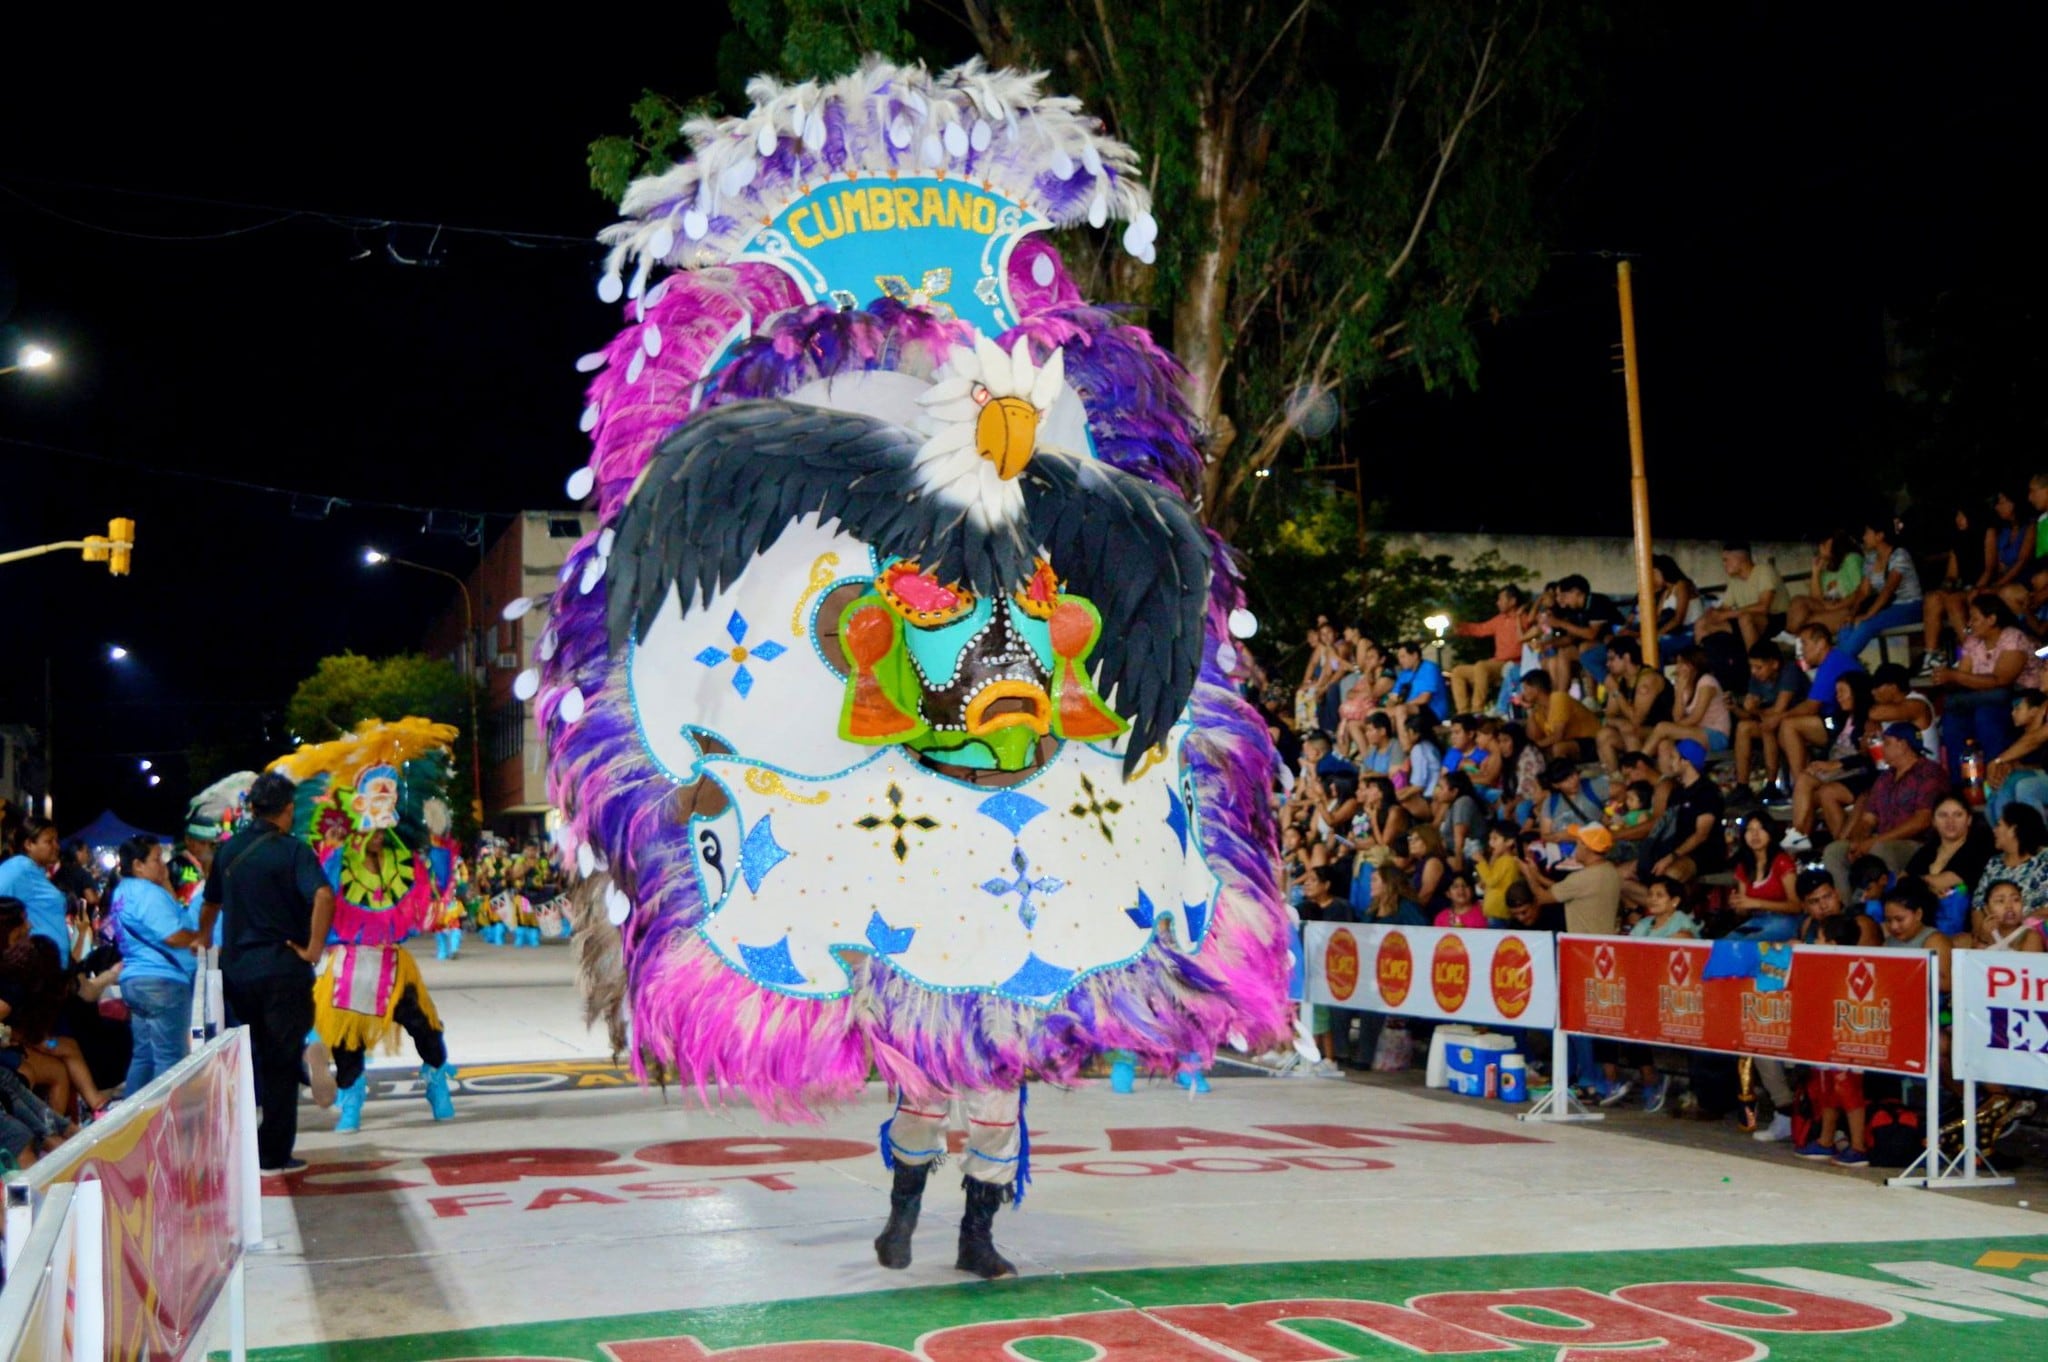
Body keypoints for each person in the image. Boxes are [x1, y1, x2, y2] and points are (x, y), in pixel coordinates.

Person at [198, 771, 334, 1174]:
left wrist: (204, 936)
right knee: (280, 1059)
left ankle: (246, 1142)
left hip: (238, 969)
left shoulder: (228, 850)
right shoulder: (294, 852)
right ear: (288, 810)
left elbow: (210, 903)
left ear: (252, 807)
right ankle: (273, 1152)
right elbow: (324, 896)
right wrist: (312, 949)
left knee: (251, 1055)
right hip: (282, 968)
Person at [106, 834, 201, 1093]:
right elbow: (174, 935)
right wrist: (200, 938)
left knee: (144, 1057)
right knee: (170, 1060)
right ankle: (166, 1125)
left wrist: (166, 883)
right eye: (157, 859)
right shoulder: (147, 893)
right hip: (163, 982)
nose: (163, 865)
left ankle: (133, 1123)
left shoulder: (123, 892)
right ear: (138, 865)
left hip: (135, 981)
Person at [1821, 723, 1950, 898]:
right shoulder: (1885, 778)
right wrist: (1857, 842)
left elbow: (1922, 820)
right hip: (1881, 840)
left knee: (1881, 850)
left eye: (1887, 743)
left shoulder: (1929, 774)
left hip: (1918, 845)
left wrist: (1875, 842)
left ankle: (1892, 906)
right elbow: (1868, 819)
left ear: (1903, 745)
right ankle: (1848, 908)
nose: (1882, 747)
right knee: (1835, 851)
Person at [1929, 594, 2044, 780]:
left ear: (1992, 619)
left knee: (1989, 710)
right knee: (1953, 719)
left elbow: (2001, 680)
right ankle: (1963, 784)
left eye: (1974, 618)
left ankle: (1994, 777)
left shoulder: (2013, 637)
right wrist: (1949, 678)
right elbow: (1961, 677)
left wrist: (1956, 675)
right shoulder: (1973, 642)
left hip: (2019, 697)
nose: (1970, 623)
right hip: (1982, 697)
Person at [1785, 670, 1879, 853]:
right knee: (1805, 779)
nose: (1839, 697)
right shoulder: (1841, 718)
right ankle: (1799, 837)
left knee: (1824, 793)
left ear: (1856, 692)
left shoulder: (1870, 719)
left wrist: (1836, 764)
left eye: (1843, 691)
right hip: (1835, 770)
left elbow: (1868, 758)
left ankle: (1823, 845)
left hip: (1857, 773)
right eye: (1837, 692)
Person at [1837, 512, 1924, 659]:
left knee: (1867, 625)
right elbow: (1863, 592)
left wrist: (1868, 615)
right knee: (1846, 625)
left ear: (1880, 536)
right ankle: (1844, 663)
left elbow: (1888, 590)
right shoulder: (1871, 559)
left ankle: (1840, 662)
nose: (1864, 537)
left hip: (1910, 606)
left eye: (1867, 533)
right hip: (1888, 608)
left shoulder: (1900, 555)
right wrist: (1852, 614)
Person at [1906, 795, 1995, 935]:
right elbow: (1901, 880)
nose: (1950, 821)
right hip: (1919, 920)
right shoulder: (1927, 850)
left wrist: (1918, 882)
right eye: (1943, 815)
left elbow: (1945, 881)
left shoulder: (1978, 849)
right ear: (1934, 821)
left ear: (1969, 819)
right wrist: (1927, 885)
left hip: (1959, 926)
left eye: (1957, 815)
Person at [1519, 822, 1621, 935]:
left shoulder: (1582, 878)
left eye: (1577, 843)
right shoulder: (1610, 870)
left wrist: (1527, 872)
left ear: (1585, 845)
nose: (1575, 848)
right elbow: (1568, 889)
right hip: (1603, 944)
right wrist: (1537, 876)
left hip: (1583, 946)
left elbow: (1542, 897)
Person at [1734, 640, 1808, 791]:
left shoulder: (1790, 671)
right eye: (1752, 667)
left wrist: (1755, 711)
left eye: (1759, 667)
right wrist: (1736, 708)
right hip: (1771, 722)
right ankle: (1742, 786)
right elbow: (1750, 715)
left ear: (1774, 664)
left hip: (1795, 722)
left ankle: (1771, 783)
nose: (1754, 671)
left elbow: (1778, 711)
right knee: (1743, 727)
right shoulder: (1755, 679)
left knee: (1767, 725)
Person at [1594, 638, 1673, 777]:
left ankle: (1637, 780)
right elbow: (1609, 716)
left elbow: (1636, 720)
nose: (1608, 664)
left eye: (1612, 659)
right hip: (1636, 731)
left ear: (1626, 657)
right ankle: (1616, 780)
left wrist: (1617, 692)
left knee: (1631, 731)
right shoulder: (1620, 680)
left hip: (1659, 731)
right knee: (1603, 734)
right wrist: (1619, 722)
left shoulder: (1648, 679)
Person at [0, 818, 72, 967]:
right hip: (34, 973)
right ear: (28, 844)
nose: (56, 846)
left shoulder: (35, 871)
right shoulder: (19, 868)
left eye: (56, 841)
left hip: (50, 969)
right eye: (49, 841)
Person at [1642, 646, 1733, 762]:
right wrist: (1679, 691)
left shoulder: (1707, 682)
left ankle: (1638, 762)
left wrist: (1672, 727)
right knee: (1664, 744)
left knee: (1662, 727)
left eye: (1682, 663)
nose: (1678, 667)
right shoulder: (1684, 685)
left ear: (1693, 665)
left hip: (1716, 734)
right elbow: (1677, 717)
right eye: (1677, 663)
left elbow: (1695, 718)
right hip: (1695, 732)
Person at [1696, 542, 1789, 650]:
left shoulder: (1764, 570)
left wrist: (1726, 615)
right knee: (1702, 622)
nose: (1724, 565)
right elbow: (1725, 607)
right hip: (1746, 617)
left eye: (1726, 560)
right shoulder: (1734, 580)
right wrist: (1713, 612)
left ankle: (1754, 660)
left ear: (1740, 558)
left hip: (1776, 619)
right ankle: (1702, 662)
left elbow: (1763, 607)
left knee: (1745, 619)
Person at [1450, 587, 1527, 716]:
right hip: (1496, 664)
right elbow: (1481, 629)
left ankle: (1477, 711)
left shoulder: (1524, 619)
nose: (1498, 603)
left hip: (1513, 664)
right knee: (1458, 672)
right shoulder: (1499, 619)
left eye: (1501, 599)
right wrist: (1460, 627)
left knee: (1482, 666)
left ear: (1513, 601)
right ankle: (1463, 713)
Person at [1728, 812, 1800, 940]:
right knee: (1727, 943)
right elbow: (1744, 910)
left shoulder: (1782, 862)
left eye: (1760, 829)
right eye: (1750, 830)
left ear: (1770, 833)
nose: (1755, 834)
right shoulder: (1744, 866)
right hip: (1758, 920)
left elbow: (1796, 906)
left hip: (1785, 920)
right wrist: (1738, 905)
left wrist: (1757, 903)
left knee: (1749, 943)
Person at [1545, 575, 1626, 688]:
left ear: (1576, 592)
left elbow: (1591, 634)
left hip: (1617, 643)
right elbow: (1571, 637)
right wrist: (1548, 644)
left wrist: (1560, 623)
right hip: (1598, 644)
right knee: (1564, 652)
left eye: (1565, 596)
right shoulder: (1575, 610)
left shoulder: (1597, 602)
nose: (1563, 600)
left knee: (1585, 647)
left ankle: (1591, 698)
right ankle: (1561, 696)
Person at [1973, 803, 2048, 916]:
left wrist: (2021, 926)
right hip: (1997, 931)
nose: (1994, 830)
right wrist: (1983, 929)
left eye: (1998, 825)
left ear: (2013, 830)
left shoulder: (2044, 859)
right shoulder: (1994, 863)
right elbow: (1977, 906)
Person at [1988, 688, 2048, 824]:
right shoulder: (2013, 734)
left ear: (2034, 712)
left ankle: (2037, 842)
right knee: (1998, 790)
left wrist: (1998, 761)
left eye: (2045, 668)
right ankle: (2006, 839)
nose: (2041, 673)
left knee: (2025, 786)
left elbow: (2035, 739)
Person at [1787, 531, 1864, 636]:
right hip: (1827, 608)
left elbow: (1860, 592)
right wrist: (1816, 573)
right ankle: (1791, 636)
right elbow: (1815, 600)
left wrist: (1835, 607)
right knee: (1798, 601)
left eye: (1824, 544)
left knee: (1807, 624)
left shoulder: (1852, 559)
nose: (1820, 547)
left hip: (1847, 609)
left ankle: (1791, 636)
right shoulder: (1826, 569)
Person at [1521, 669, 1600, 761]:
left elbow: (1558, 735)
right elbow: (1534, 737)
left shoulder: (1558, 698)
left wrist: (1535, 746)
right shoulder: (1539, 709)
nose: (1523, 693)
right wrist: (1529, 710)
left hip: (1592, 741)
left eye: (1525, 688)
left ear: (1535, 689)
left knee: (1558, 749)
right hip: (1571, 743)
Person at [1971, 880, 2044, 952]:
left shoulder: (2031, 936)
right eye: (2000, 901)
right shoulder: (1982, 935)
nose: (2009, 906)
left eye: (2015, 900)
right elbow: (1974, 962)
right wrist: (1983, 939)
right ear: (1987, 909)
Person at [1389, 640, 1451, 726]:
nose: (1400, 661)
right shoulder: (1404, 673)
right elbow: (1393, 697)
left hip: (1432, 711)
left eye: (1403, 657)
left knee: (1400, 710)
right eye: (1399, 657)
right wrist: (1388, 709)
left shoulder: (1429, 668)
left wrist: (1401, 706)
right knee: (1378, 713)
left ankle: (1403, 739)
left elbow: (1424, 699)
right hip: (1409, 708)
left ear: (1415, 655)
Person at [1475, 821, 1525, 923]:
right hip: (1496, 913)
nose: (1490, 843)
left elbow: (1491, 881)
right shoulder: (1503, 860)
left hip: (1499, 913)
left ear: (1509, 842)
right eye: (1490, 839)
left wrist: (1481, 862)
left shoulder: (1507, 860)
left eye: (1495, 838)